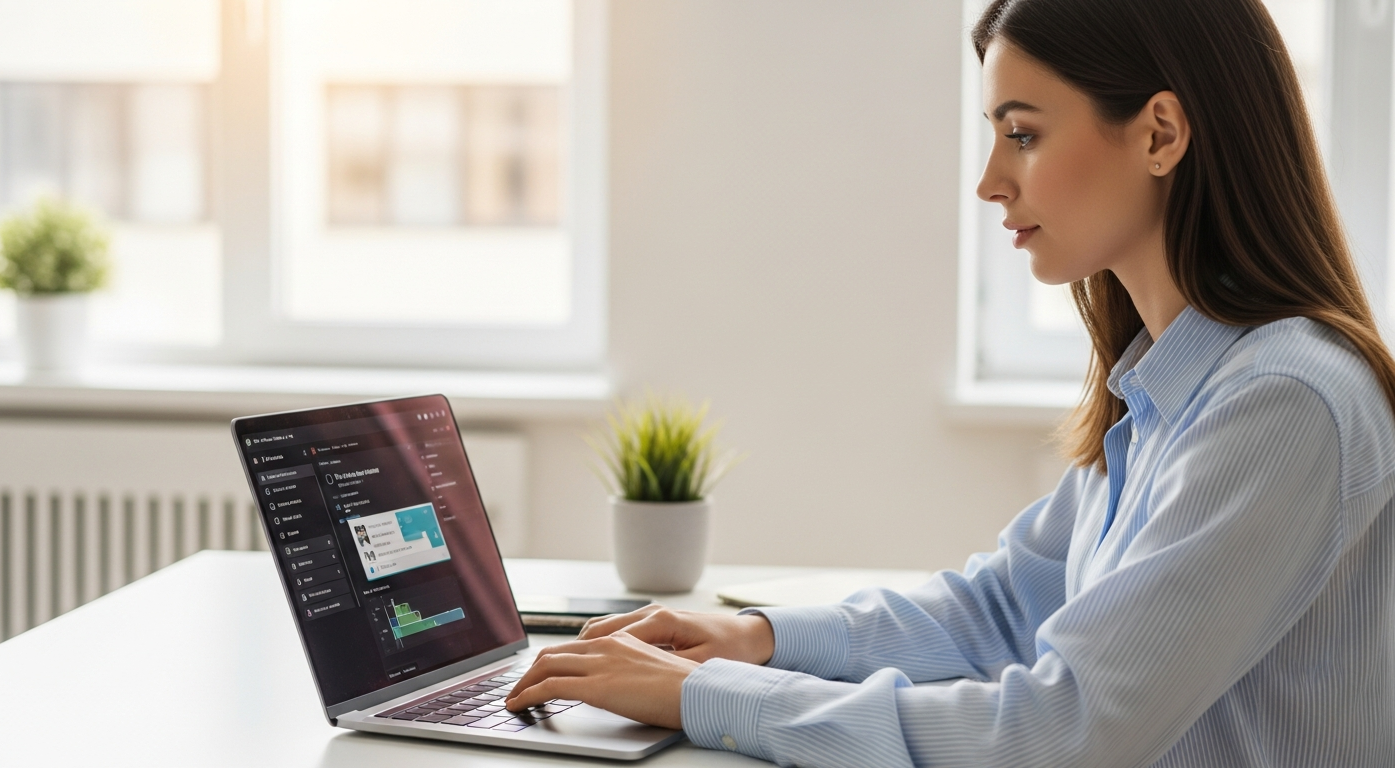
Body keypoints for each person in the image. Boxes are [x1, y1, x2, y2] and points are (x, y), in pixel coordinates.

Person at [506, 0, 1395, 764]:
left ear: (1160, 134)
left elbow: (1064, 728)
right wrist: (758, 638)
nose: (990, 182)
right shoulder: (1165, 388)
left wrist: (706, 695)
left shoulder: (1284, 404)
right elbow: (1003, 608)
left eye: (1023, 134)